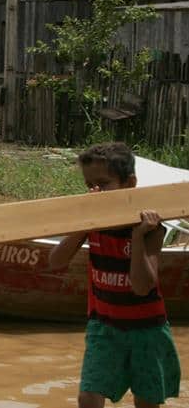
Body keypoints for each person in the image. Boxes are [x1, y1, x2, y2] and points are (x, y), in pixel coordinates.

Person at [48, 142, 181, 408]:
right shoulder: (91, 225)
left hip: (147, 331)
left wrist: (138, 237)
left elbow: (142, 286)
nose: (95, 191)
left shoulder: (151, 230)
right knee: (88, 398)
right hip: (104, 328)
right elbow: (55, 261)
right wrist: (82, 224)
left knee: (146, 402)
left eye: (103, 184)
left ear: (129, 183)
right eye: (89, 186)